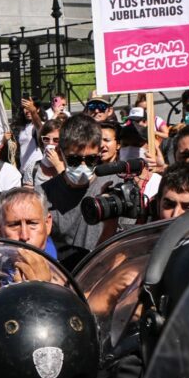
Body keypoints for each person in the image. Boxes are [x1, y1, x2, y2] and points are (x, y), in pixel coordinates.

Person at [35, 114, 121, 267]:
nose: (83, 167)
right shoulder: (42, 195)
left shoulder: (115, 185)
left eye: (90, 160)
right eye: (74, 160)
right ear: (60, 152)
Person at [0, 187, 58, 259]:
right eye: (14, 225)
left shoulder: (66, 267)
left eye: (32, 223)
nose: (24, 236)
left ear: (47, 224)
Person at [22, 119, 65, 188]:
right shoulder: (33, 168)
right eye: (46, 139)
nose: (50, 143)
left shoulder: (69, 165)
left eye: (56, 140)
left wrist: (58, 164)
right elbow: (27, 196)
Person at [13, 97, 44, 172]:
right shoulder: (21, 127)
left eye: (30, 107)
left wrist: (33, 112)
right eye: (25, 108)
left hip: (36, 168)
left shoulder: (40, 124)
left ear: (38, 109)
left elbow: (39, 125)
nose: (28, 111)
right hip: (23, 168)